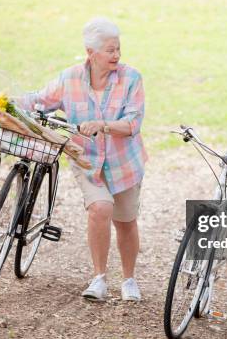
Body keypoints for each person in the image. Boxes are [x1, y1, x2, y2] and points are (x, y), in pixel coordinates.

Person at [17, 17, 148, 302]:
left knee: (125, 222)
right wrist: (9, 101)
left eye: (118, 49)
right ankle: (99, 278)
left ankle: (129, 279)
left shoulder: (131, 79)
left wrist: (102, 124)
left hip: (124, 163)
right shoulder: (70, 78)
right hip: (88, 161)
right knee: (100, 208)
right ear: (91, 52)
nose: (117, 55)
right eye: (110, 50)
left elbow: (132, 123)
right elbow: (40, 99)